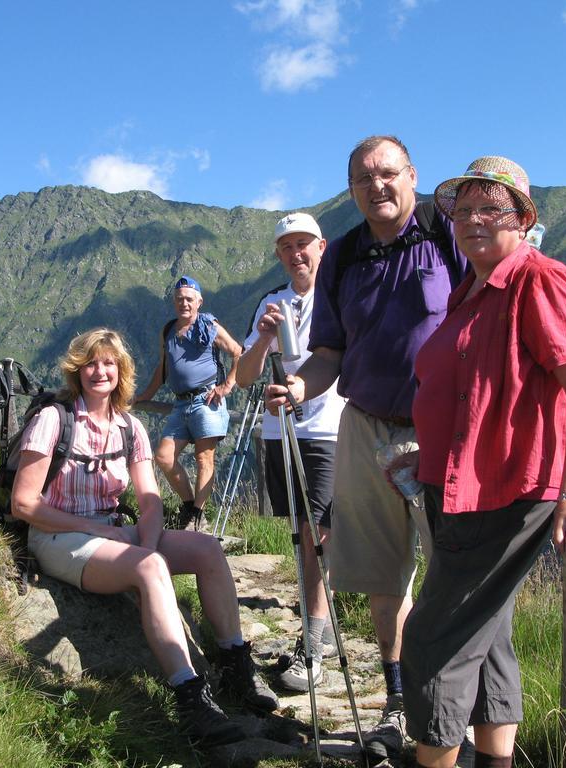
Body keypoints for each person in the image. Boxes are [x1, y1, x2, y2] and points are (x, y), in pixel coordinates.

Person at [400, 156, 566, 768]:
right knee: (486, 635)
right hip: (459, 485)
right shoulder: (474, 288)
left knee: (431, 641)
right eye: (463, 209)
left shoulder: (537, 280)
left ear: (522, 219)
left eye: (491, 209)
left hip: (502, 491)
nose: (473, 220)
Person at [265, 135, 468, 763]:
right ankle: (400, 701)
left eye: (387, 174)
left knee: (451, 575)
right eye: (362, 179)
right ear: (351, 190)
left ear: (411, 175)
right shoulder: (345, 258)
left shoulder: (447, 235)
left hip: (443, 432)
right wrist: (299, 385)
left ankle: (452, 712)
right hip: (364, 428)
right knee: (385, 579)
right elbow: (329, 353)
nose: (376, 186)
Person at [11, 329, 278, 746]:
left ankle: (234, 664)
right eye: (92, 363)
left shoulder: (129, 428)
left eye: (109, 363)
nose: (100, 371)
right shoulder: (54, 420)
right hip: (56, 538)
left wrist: (147, 549)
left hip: (114, 534)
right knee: (151, 565)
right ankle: (191, 699)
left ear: (121, 372)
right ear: (77, 370)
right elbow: (24, 504)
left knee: (206, 548)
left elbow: (150, 501)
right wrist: (105, 535)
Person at [235, 212, 346, 692]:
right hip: (280, 433)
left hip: (329, 429)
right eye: (287, 247)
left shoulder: (340, 296)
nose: (296, 254)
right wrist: (262, 337)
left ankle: (313, 649)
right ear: (279, 255)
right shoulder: (271, 301)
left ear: (322, 246)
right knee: (302, 533)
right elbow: (242, 376)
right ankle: (318, 630)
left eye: (304, 244)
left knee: (316, 533)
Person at [135, 276, 244, 531]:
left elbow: (238, 352)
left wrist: (227, 385)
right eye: (180, 299)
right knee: (163, 456)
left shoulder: (209, 325)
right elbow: (163, 368)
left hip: (207, 400)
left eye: (189, 299)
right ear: (174, 302)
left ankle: (196, 515)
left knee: (204, 458)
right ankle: (189, 507)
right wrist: (145, 396)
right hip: (181, 404)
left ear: (199, 302)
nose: (184, 303)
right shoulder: (169, 330)